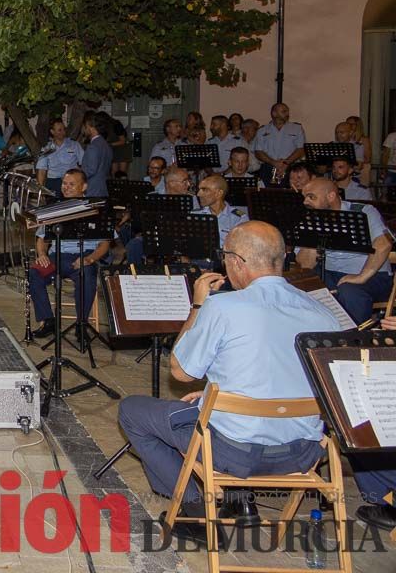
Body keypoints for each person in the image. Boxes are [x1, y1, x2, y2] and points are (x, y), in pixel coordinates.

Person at [117, 222, 339, 544]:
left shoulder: (222, 307)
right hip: (302, 453)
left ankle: (195, 512)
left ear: (237, 262)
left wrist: (197, 305)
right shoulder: (323, 314)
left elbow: (180, 371)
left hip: (234, 453)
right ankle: (239, 500)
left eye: (226, 258)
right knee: (207, 406)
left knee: (132, 411)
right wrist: (213, 393)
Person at [297, 178, 392, 324]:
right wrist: (314, 231)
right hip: (330, 273)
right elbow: (305, 265)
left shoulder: (363, 211)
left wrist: (362, 276)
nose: (305, 202)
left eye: (311, 197)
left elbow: (384, 243)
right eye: (304, 197)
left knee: (349, 290)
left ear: (331, 196)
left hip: (372, 274)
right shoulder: (310, 218)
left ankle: (354, 339)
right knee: (300, 284)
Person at [27, 169, 109, 338]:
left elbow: (105, 244)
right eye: (65, 183)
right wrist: (41, 254)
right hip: (57, 256)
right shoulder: (55, 208)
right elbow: (41, 238)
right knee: (34, 273)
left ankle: (81, 323)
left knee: (86, 275)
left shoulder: (95, 208)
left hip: (84, 255)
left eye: (72, 184)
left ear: (84, 186)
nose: (66, 187)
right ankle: (48, 320)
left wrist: (90, 258)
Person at [253, 102, 305, 184]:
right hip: (268, 168)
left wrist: (286, 163)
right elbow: (258, 152)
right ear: (274, 113)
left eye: (287, 111)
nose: (287, 114)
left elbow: (300, 149)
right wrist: (273, 162)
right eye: (284, 111)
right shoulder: (262, 130)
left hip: (290, 168)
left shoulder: (297, 128)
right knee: (266, 194)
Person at [193, 174, 248, 248]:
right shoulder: (195, 215)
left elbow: (242, 246)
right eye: (199, 190)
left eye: (204, 190)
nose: (198, 194)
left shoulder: (238, 218)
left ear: (219, 193)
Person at [35, 118, 84, 196]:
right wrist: (40, 191)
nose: (63, 132)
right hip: (53, 182)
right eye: (59, 130)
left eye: (64, 129)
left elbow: (84, 164)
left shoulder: (74, 145)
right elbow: (41, 170)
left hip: (71, 182)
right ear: (52, 132)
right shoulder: (46, 149)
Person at [80, 112, 112, 198]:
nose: (84, 130)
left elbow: (90, 170)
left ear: (90, 127)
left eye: (85, 127)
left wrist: (76, 176)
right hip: (103, 189)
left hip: (92, 191)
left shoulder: (93, 146)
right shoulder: (106, 145)